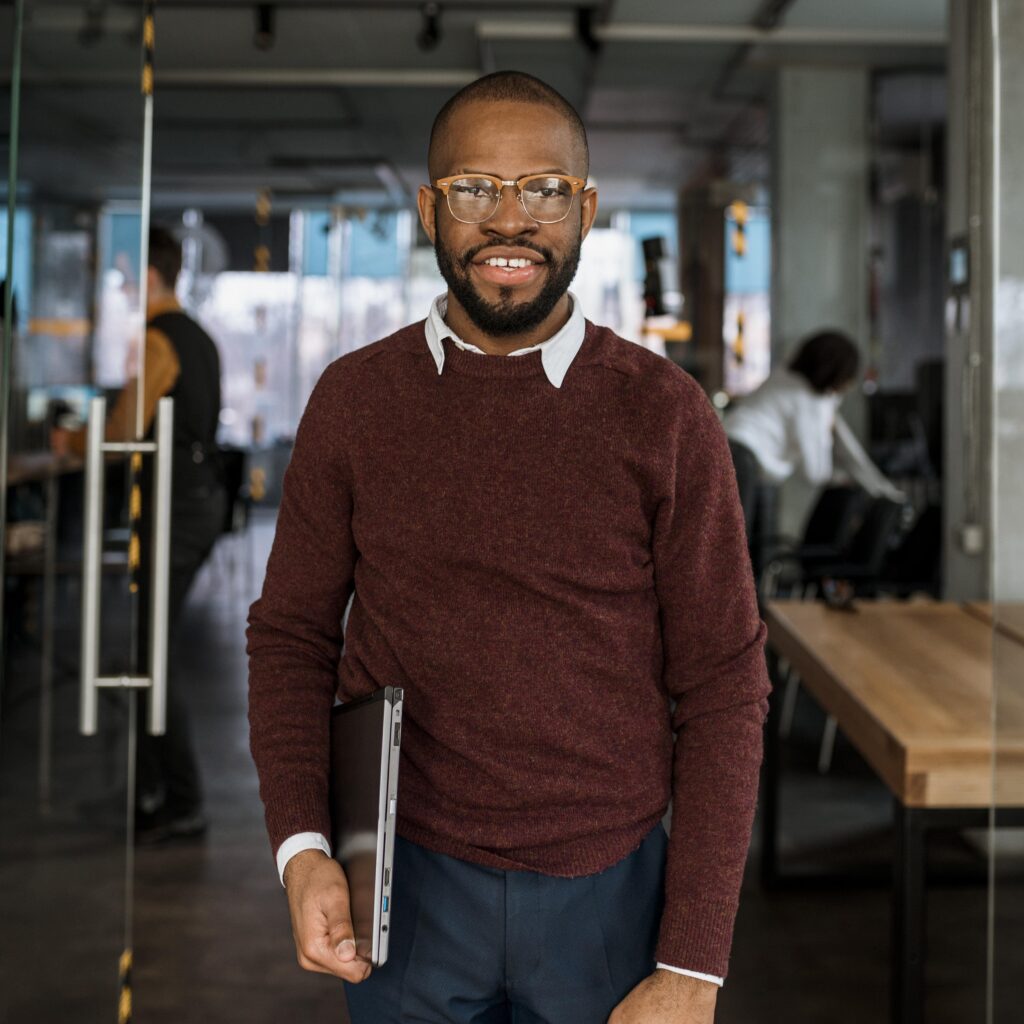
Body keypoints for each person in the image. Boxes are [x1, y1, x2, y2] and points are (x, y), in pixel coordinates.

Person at [247, 71, 770, 1024]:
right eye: (476, 189)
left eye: (543, 190)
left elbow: (726, 682)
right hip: (403, 890)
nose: (509, 221)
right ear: (428, 208)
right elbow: (290, 637)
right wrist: (303, 845)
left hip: (609, 893)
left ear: (587, 209)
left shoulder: (664, 413)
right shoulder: (356, 400)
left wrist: (694, 962)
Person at [54, 226, 225, 843]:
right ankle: (155, 792)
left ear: (148, 277)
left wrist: (70, 441)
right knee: (153, 656)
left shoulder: (161, 339)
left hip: (175, 514)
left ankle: (180, 800)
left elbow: (125, 423)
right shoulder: (198, 337)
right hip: (195, 506)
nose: (123, 289)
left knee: (154, 660)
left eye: (126, 278)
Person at [724, 330, 905, 560]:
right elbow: (816, 472)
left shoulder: (785, 377)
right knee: (737, 549)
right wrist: (843, 475)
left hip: (730, 447)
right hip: (742, 459)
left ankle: (751, 594)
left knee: (746, 545)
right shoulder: (810, 402)